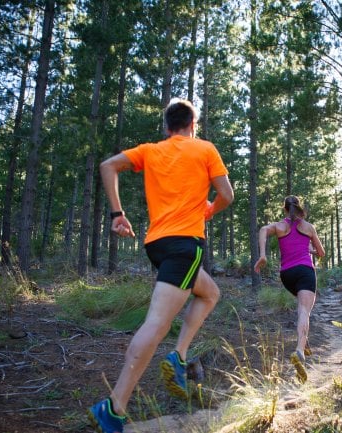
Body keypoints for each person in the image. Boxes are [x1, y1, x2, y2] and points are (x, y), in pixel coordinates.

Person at [88, 99, 234, 433]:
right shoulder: (205, 149)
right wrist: (208, 211)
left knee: (210, 293)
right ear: (193, 125)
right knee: (156, 325)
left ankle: (178, 356)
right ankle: (114, 407)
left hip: (157, 244)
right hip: (185, 245)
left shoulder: (151, 150)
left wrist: (117, 214)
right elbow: (227, 194)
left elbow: (108, 165)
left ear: (168, 127)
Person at [253, 195, 325, 382]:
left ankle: (304, 341)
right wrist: (309, 250)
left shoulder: (279, 226)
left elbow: (262, 229)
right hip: (305, 272)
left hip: (287, 275)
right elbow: (322, 253)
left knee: (302, 307)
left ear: (285, 209)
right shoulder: (308, 227)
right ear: (299, 208)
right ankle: (300, 351)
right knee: (304, 311)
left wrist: (263, 255)